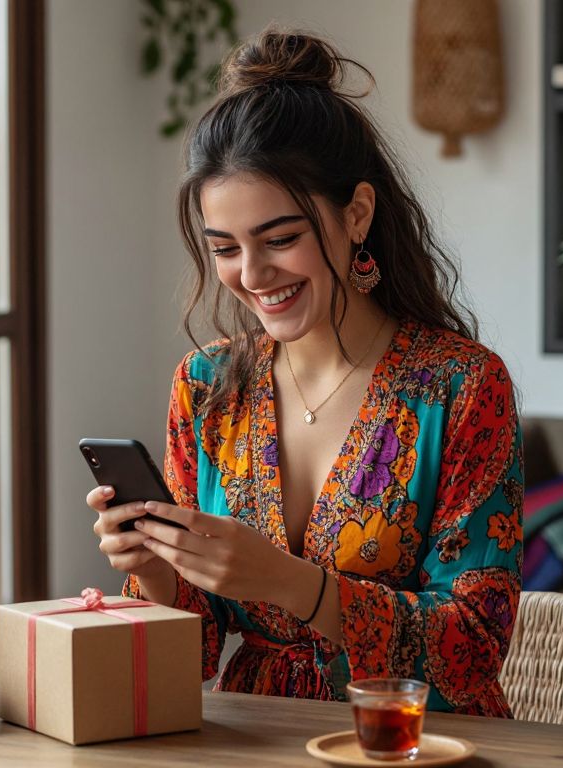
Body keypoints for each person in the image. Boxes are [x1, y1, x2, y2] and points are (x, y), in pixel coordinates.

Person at [88, 28, 523, 717]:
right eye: (225, 248)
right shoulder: (206, 389)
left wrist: (296, 585)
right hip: (254, 740)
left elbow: (473, 647)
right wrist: (152, 571)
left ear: (357, 215)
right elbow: (198, 648)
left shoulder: (461, 388)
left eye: (280, 239)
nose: (252, 276)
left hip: (414, 745)